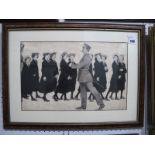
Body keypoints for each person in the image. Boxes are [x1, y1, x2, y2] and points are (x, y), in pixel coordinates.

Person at [71, 43, 105, 110]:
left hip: (86, 77)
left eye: (83, 48)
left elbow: (80, 65)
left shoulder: (87, 57)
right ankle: (83, 106)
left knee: (93, 90)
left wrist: (72, 65)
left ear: (86, 49)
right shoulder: (85, 56)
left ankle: (101, 104)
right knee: (83, 92)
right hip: (82, 76)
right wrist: (73, 63)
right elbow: (80, 64)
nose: (82, 49)